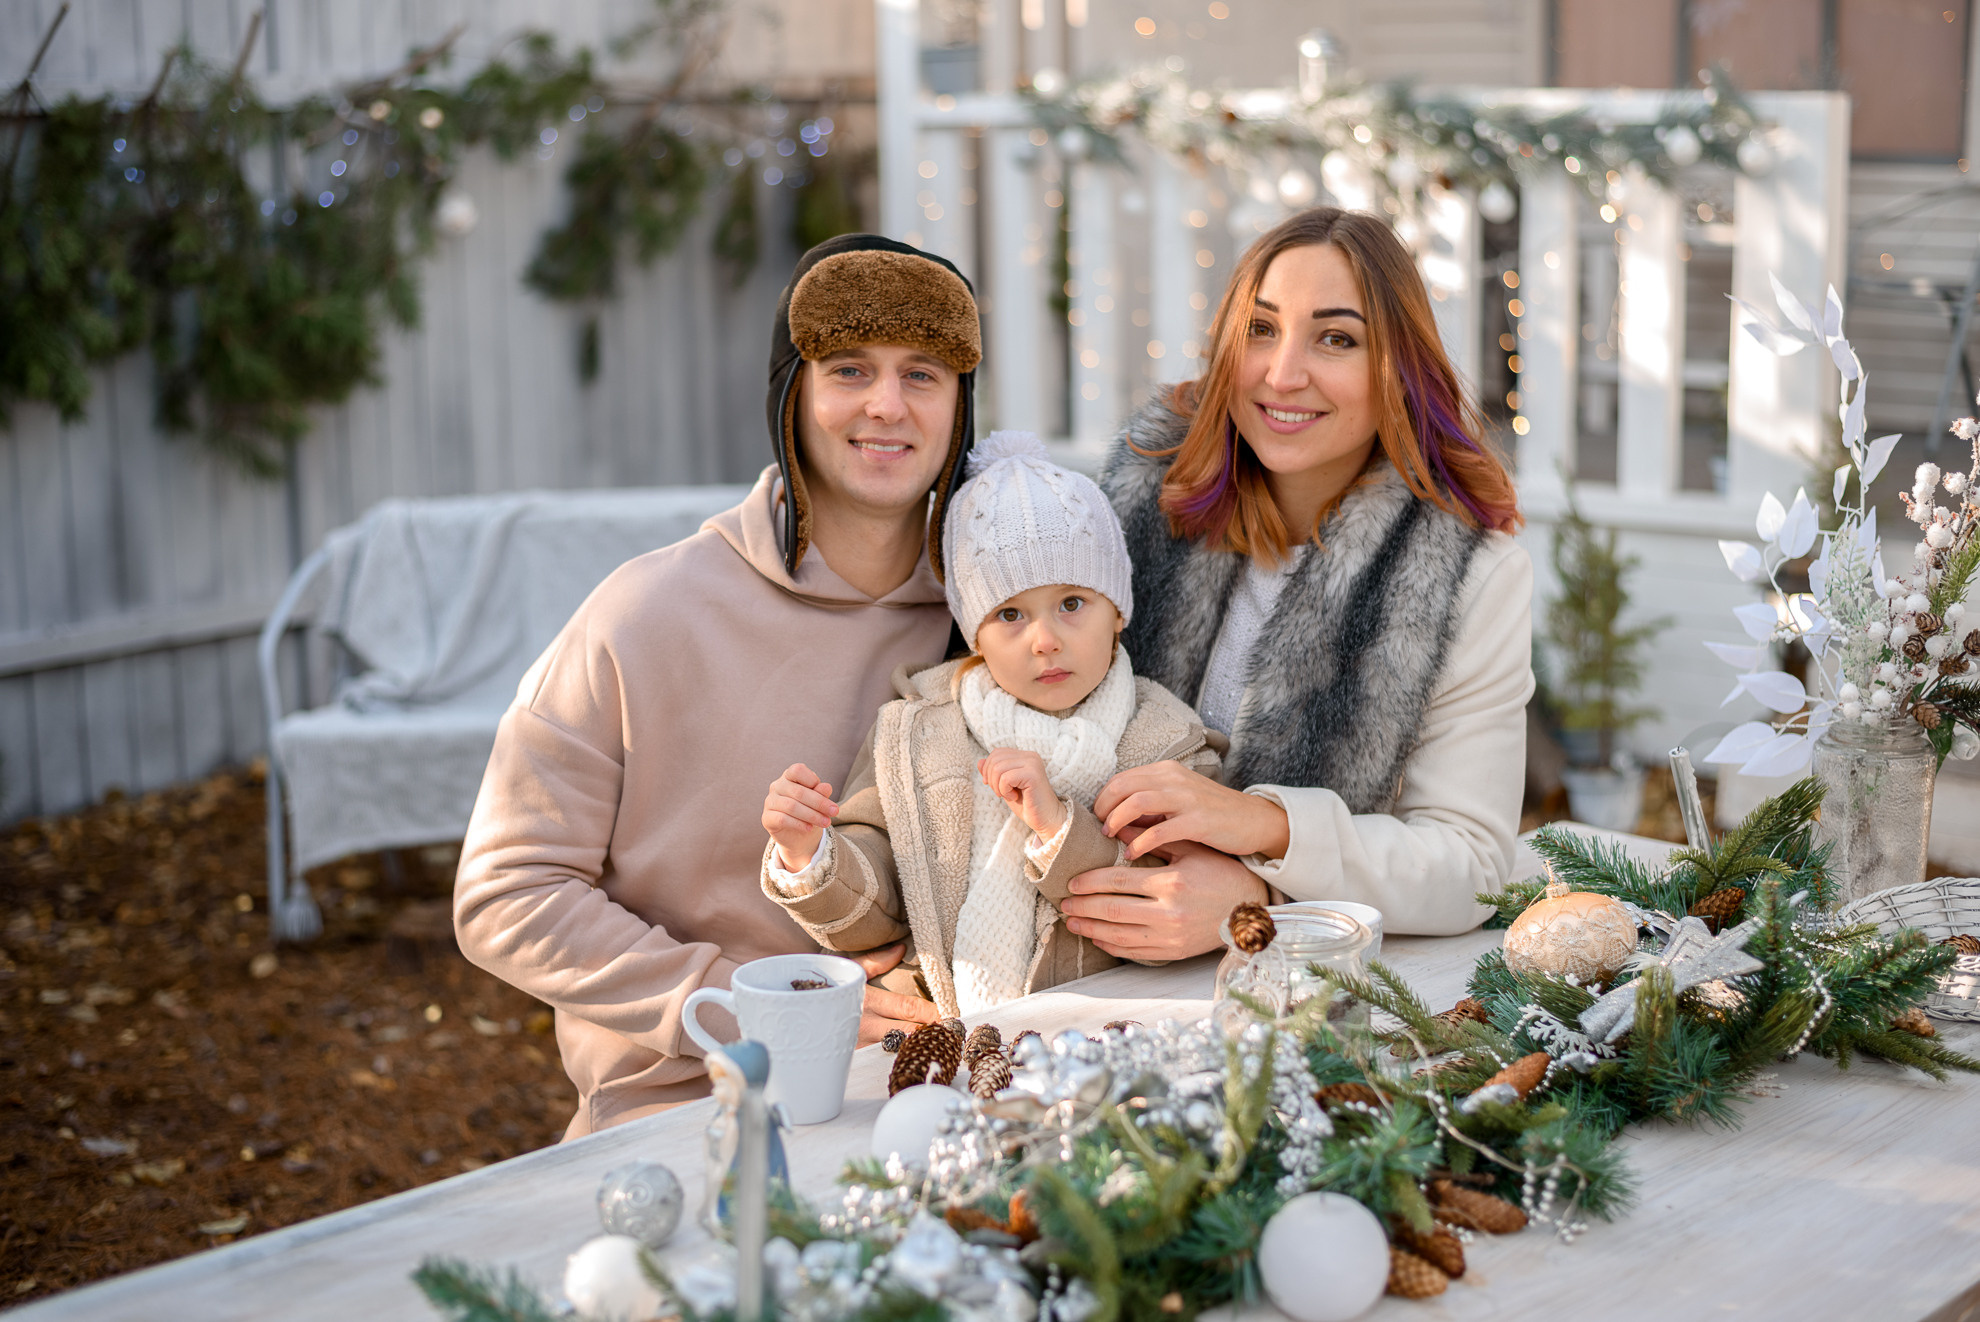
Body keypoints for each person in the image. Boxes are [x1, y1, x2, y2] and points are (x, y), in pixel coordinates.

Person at [453, 235, 990, 1137]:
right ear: (791, 394)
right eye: (850, 368)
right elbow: (508, 891)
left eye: (924, 373)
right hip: (696, 1108)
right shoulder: (646, 614)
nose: (887, 405)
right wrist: (751, 1009)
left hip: (950, 1090)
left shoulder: (1003, 621)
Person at [1056, 207, 1533, 959]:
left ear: (1396, 370)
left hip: (1299, 998)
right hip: (1065, 960)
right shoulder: (1141, 496)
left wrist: (1265, 867)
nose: (1282, 374)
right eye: (1262, 329)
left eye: (1336, 338)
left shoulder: (1464, 571)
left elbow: (1467, 865)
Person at [756, 432, 1222, 1020]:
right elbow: (874, 919)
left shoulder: (1169, 744)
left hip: (1102, 1049)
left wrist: (1058, 828)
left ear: (1118, 610)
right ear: (975, 633)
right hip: (941, 1049)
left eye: (1073, 603)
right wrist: (812, 858)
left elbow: (1175, 916)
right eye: (1009, 614)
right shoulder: (915, 735)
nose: (1046, 639)